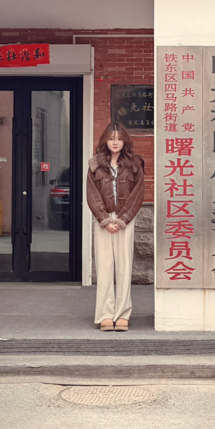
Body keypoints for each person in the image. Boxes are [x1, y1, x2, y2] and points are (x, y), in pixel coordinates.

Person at [87, 122, 145, 332]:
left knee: (123, 267)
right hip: (103, 220)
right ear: (105, 140)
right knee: (104, 267)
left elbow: (138, 193)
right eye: (111, 139)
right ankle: (105, 314)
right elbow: (92, 194)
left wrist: (122, 220)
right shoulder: (94, 164)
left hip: (124, 220)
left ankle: (122, 315)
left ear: (124, 141)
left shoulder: (135, 164)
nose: (115, 143)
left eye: (119, 139)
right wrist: (104, 219)